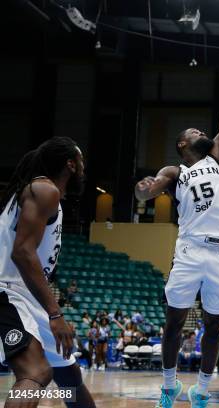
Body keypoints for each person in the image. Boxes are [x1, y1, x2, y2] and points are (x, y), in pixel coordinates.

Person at [135, 34, 219, 408]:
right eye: (194, 132)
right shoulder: (175, 171)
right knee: (174, 322)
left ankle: (202, 388)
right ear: (181, 144)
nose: (201, 132)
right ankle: (169, 385)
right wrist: (143, 190)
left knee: (215, 325)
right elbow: (148, 190)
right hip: (188, 250)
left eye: (202, 131)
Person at [0, 137, 95, 407]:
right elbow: (22, 252)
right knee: (35, 372)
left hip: (24, 296)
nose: (84, 170)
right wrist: (56, 314)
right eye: (81, 162)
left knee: (69, 379)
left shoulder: (43, 194)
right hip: (6, 291)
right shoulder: (44, 190)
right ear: (70, 164)